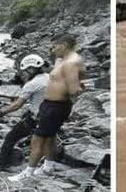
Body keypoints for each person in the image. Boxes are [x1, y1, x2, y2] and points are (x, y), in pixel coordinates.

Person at [8, 34, 84, 181]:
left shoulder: (71, 63)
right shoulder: (64, 60)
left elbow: (75, 90)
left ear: (65, 45)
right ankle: (48, 167)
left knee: (37, 140)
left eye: (54, 46)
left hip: (55, 107)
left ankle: (28, 173)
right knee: (50, 137)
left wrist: (72, 88)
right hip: (52, 105)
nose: (52, 49)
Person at [0, 54, 49, 170]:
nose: (23, 74)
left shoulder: (32, 84)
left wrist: (1, 112)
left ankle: (1, 165)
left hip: (37, 119)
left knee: (10, 138)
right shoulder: (50, 77)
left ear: (31, 69)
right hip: (51, 115)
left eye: (25, 71)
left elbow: (17, 105)